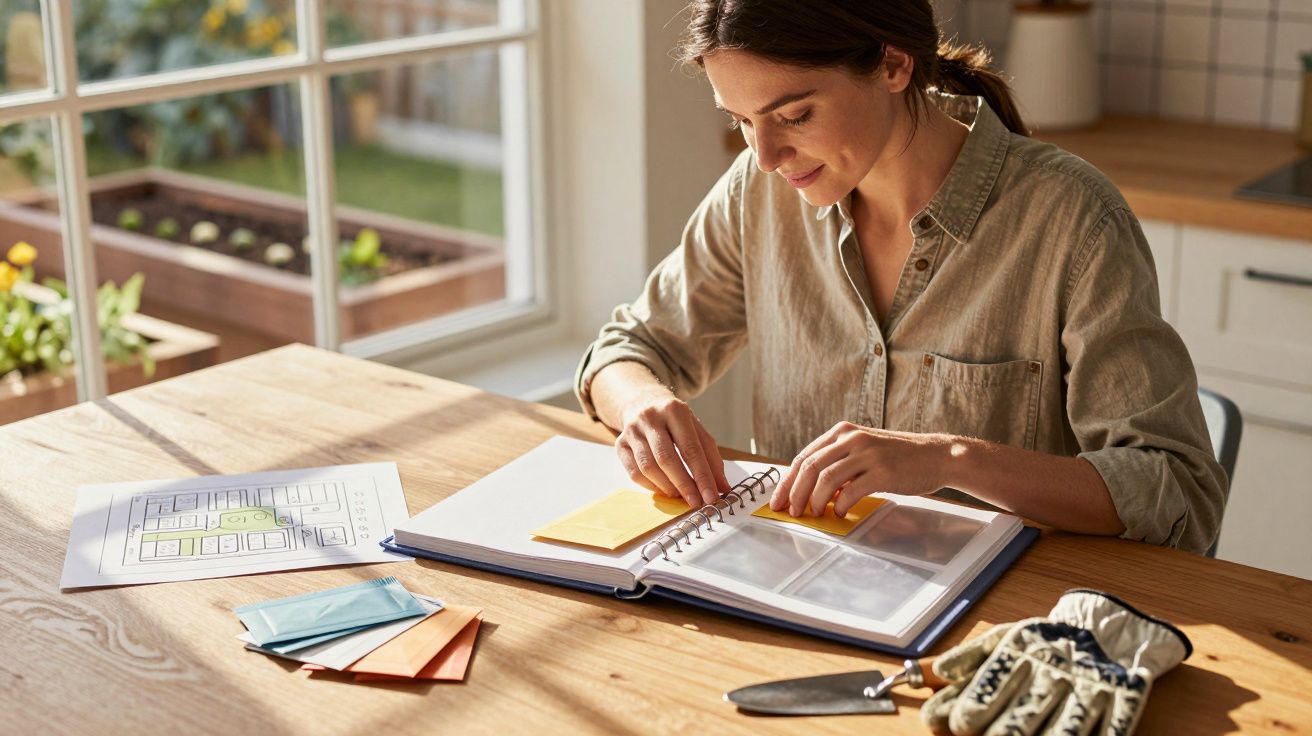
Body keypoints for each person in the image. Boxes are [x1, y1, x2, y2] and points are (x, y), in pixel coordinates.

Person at [573, 0, 1227, 554]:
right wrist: (643, 405)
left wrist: (947, 459)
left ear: (892, 64)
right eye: (741, 121)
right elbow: (625, 352)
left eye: (794, 116)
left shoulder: (1071, 220)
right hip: (800, 589)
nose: (765, 156)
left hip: (1002, 624)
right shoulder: (758, 194)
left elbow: (1175, 493)